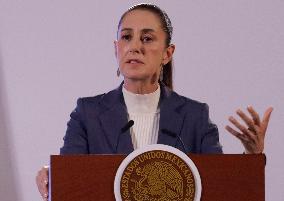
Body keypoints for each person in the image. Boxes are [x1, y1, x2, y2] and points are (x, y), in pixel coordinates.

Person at [35, 3, 273, 200]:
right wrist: (53, 178)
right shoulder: (87, 114)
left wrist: (251, 156)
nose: (135, 47)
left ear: (167, 54)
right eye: (126, 37)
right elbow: (71, 183)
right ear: (116, 49)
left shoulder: (194, 116)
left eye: (147, 38)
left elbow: (219, 188)